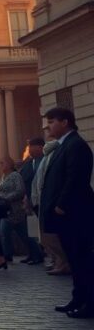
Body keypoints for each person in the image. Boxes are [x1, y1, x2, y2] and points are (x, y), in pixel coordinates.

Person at [39, 107, 94, 318]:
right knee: (75, 259)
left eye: (52, 122)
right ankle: (78, 298)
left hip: (75, 214)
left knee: (82, 260)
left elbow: (75, 179)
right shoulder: (64, 145)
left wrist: (61, 205)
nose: (48, 126)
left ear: (65, 122)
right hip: (67, 216)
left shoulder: (76, 145)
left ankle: (89, 302)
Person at [0, 155, 43, 266]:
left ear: (9, 164)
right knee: (22, 234)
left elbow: (20, 190)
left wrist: (6, 198)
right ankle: (35, 254)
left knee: (4, 232)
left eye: (2, 163)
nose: (0, 165)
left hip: (15, 210)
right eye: (0, 163)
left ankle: (8, 256)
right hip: (6, 210)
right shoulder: (3, 176)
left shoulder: (15, 175)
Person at [33, 134, 70, 274]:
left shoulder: (55, 154)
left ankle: (62, 263)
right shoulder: (45, 158)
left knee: (52, 235)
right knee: (45, 236)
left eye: (51, 122)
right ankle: (57, 261)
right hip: (42, 201)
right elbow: (39, 179)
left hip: (50, 201)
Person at [17, 137, 46, 265]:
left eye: (31, 147)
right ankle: (33, 254)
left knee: (45, 230)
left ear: (40, 147)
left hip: (43, 201)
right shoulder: (29, 163)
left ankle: (43, 255)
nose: (29, 150)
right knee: (32, 231)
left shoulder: (45, 161)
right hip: (29, 202)